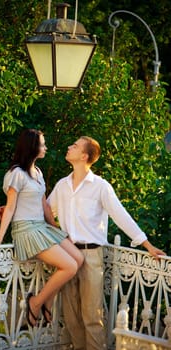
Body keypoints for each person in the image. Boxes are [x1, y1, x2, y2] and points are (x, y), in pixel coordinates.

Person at [47, 136, 166, 350]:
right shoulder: (62, 185)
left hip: (91, 256)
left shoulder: (100, 186)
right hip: (66, 256)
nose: (69, 146)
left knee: (92, 316)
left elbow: (121, 215)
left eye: (74, 146)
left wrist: (146, 244)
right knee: (71, 315)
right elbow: (46, 211)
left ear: (84, 156)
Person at [0, 129, 84, 328]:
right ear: (32, 147)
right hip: (26, 231)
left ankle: (46, 301)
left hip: (42, 227)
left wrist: (58, 231)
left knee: (79, 259)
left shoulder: (37, 172)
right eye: (42, 144)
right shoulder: (16, 174)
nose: (45, 147)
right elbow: (12, 206)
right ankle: (36, 302)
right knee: (70, 266)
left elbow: (44, 206)